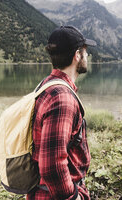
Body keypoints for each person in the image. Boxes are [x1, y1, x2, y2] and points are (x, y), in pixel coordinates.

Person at [26, 26, 96, 200]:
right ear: (77, 55)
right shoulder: (62, 99)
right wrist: (73, 197)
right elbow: (52, 166)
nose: (87, 56)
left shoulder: (47, 85)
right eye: (85, 52)